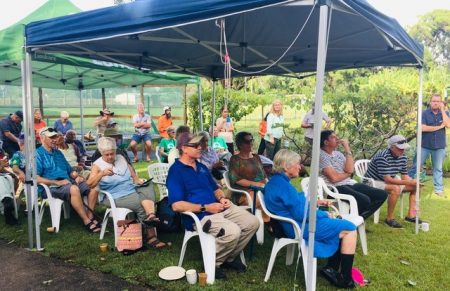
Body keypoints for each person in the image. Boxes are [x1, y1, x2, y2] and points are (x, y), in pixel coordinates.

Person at [167, 132, 259, 279]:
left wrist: (222, 198)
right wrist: (206, 208)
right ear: (184, 148)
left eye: (201, 144)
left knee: (253, 222)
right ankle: (212, 263)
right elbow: (177, 205)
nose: (201, 147)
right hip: (200, 215)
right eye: (196, 145)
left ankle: (228, 258)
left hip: (219, 208)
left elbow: (215, 188)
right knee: (233, 231)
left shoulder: (201, 166)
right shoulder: (175, 172)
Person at [264, 149, 357, 288]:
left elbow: (292, 204)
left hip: (290, 224)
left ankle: (331, 268)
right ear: (286, 166)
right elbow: (301, 213)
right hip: (297, 227)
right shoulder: (283, 186)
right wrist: (324, 214)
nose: (300, 167)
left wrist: (315, 204)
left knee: (340, 225)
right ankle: (345, 278)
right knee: (349, 228)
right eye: (297, 164)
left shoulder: (276, 182)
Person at [87, 137, 166, 249]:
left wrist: (137, 179)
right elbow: (90, 184)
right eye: (107, 154)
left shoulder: (121, 158)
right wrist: (101, 174)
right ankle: (151, 235)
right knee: (141, 204)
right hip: (114, 196)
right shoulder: (97, 165)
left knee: (148, 185)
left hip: (130, 188)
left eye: (112, 153)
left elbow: (131, 171)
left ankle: (150, 216)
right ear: (101, 153)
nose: (110, 157)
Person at [35, 127, 100, 233]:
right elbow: (35, 178)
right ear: (42, 138)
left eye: (55, 136)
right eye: (51, 137)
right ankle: (86, 221)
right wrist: (56, 182)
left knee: (93, 185)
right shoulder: (37, 154)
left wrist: (77, 176)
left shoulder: (58, 153)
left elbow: (70, 171)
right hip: (51, 187)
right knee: (74, 189)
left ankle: (90, 215)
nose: (55, 139)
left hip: (67, 183)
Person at [319, 130, 388, 220]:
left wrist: (347, 148)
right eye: (333, 137)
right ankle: (353, 222)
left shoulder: (338, 154)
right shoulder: (321, 155)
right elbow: (334, 178)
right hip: (333, 188)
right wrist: (347, 174)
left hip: (349, 183)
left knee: (381, 194)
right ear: (326, 142)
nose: (337, 139)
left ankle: (358, 220)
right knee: (364, 200)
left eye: (336, 136)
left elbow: (350, 170)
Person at [365, 135, 420, 228]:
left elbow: (404, 175)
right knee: (395, 189)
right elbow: (388, 179)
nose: (402, 151)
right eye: (400, 149)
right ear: (392, 147)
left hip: (387, 180)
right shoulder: (382, 156)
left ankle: (411, 215)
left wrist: (414, 182)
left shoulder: (403, 157)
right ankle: (389, 219)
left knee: (416, 187)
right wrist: (409, 182)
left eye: (404, 148)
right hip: (372, 182)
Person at [409, 94, 450, 197]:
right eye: (434, 101)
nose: (435, 103)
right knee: (416, 166)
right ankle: (409, 185)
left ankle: (439, 189)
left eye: (438, 101)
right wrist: (439, 127)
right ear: (430, 102)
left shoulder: (445, 113)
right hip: (424, 145)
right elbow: (422, 128)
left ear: (441, 103)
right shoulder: (424, 113)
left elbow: (448, 125)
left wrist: (443, 111)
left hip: (439, 146)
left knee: (438, 169)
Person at [228, 132, 268, 221]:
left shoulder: (256, 157)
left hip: (262, 188)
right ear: (240, 144)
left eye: (251, 140)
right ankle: (270, 223)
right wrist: (257, 185)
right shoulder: (235, 159)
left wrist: (268, 184)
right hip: (245, 193)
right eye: (247, 141)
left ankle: (276, 221)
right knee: (264, 200)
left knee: (277, 196)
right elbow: (236, 180)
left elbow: (264, 175)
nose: (250, 143)